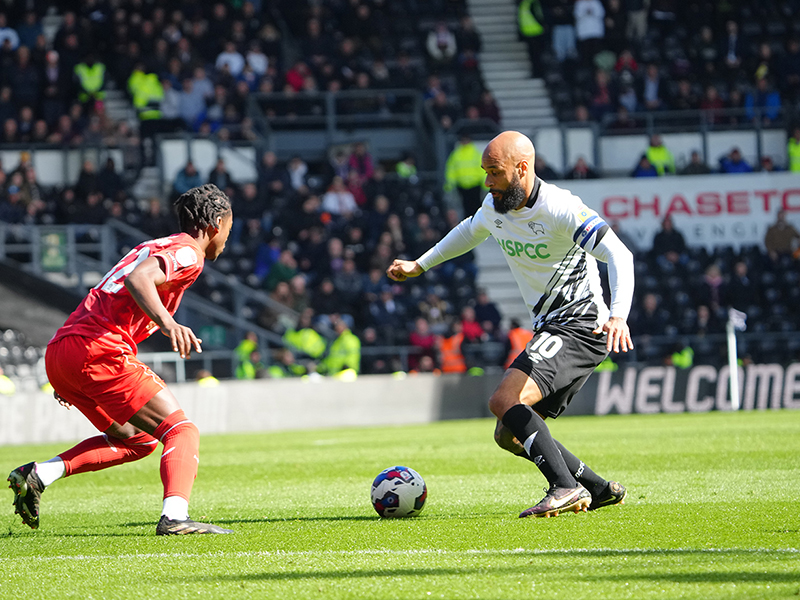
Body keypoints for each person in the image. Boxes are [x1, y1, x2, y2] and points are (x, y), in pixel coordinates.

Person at [387, 131, 634, 518]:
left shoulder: (560, 208)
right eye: (485, 172)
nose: (487, 182)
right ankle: (597, 488)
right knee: (508, 434)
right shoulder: (495, 206)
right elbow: (468, 232)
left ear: (522, 169)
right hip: (553, 326)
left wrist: (619, 313)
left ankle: (564, 487)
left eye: (495, 172)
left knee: (503, 400)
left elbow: (619, 253)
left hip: (579, 323)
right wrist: (420, 264)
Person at [7, 184, 234, 535]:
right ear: (216, 224)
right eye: (229, 230)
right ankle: (175, 517)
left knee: (137, 441)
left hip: (64, 351)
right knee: (181, 429)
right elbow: (138, 279)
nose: (227, 239)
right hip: (97, 351)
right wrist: (169, 323)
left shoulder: (154, 245)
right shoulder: (189, 253)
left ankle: (39, 474)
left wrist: (69, 371)